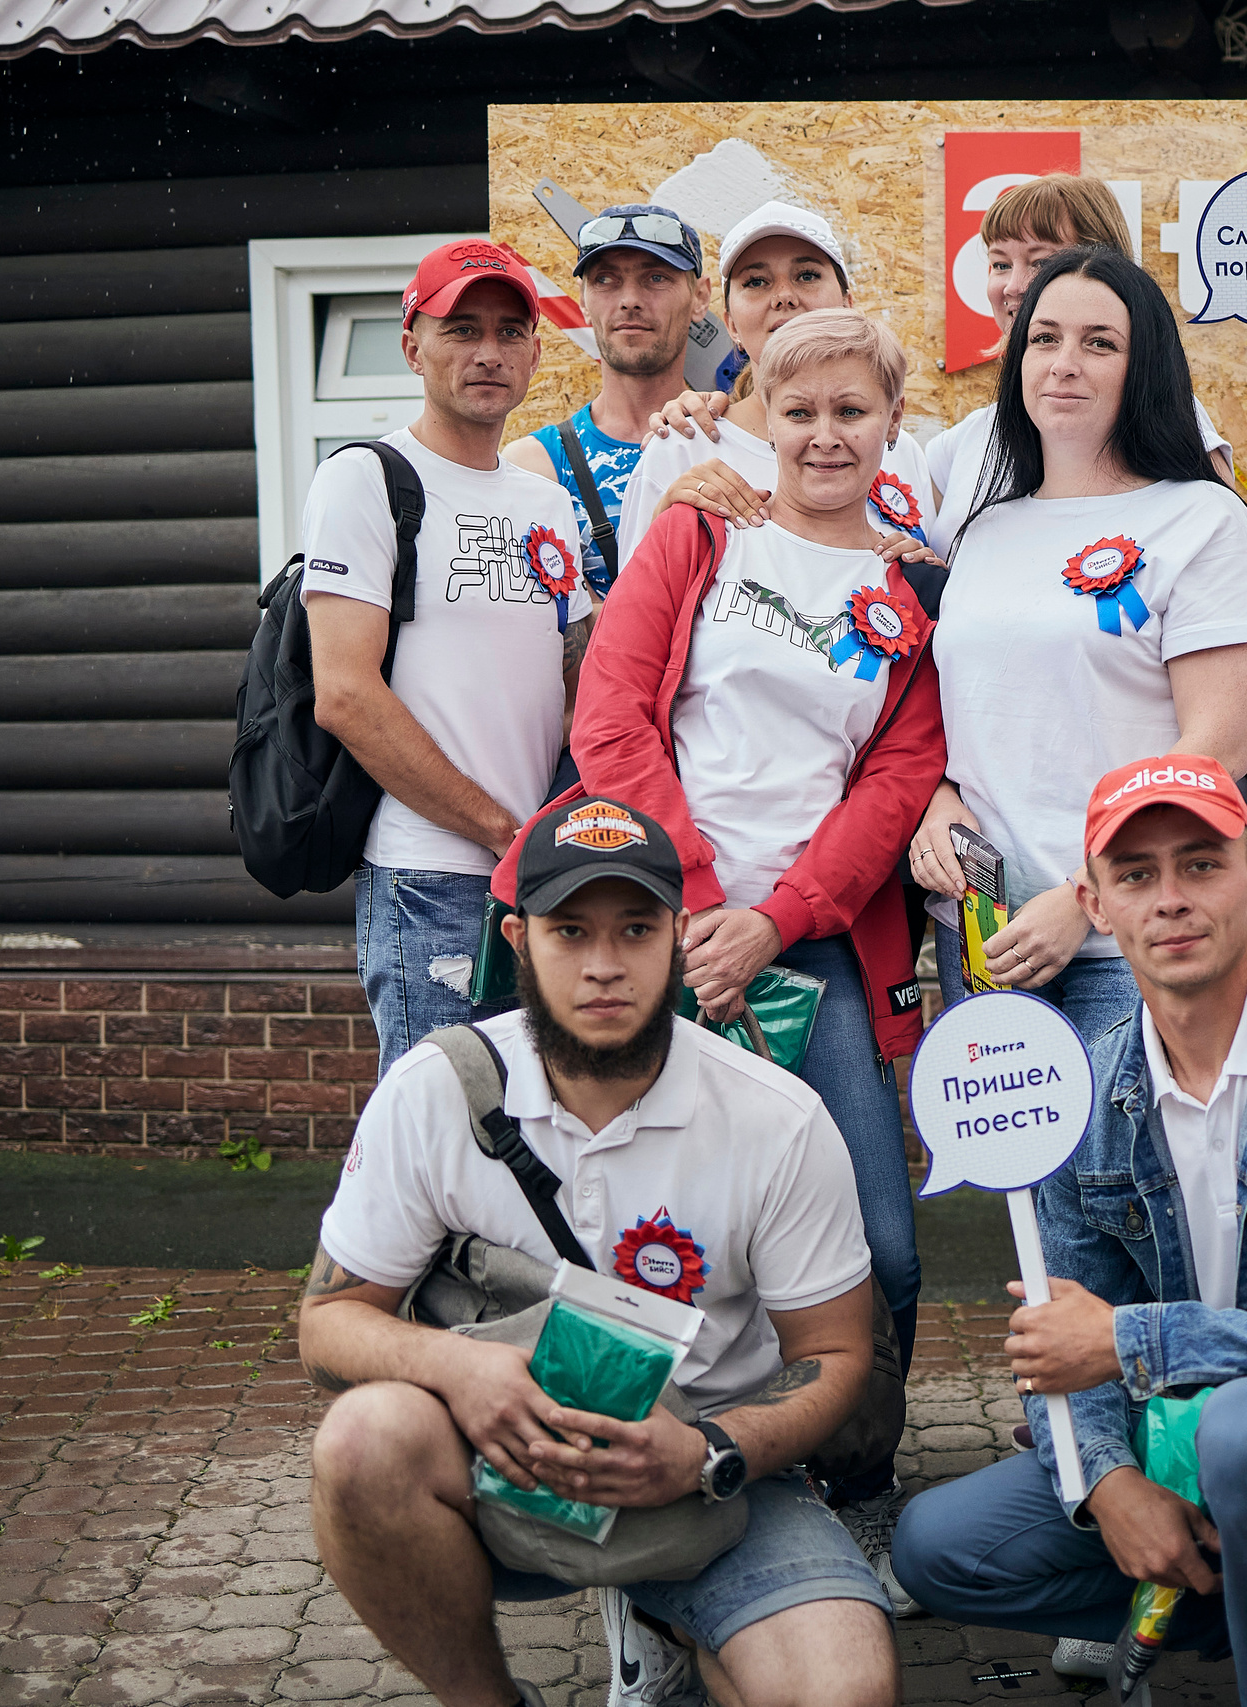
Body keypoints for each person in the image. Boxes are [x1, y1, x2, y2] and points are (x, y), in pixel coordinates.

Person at [495, 308, 946, 1611]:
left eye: (851, 410)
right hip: (657, 936)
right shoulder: (703, 528)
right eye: (799, 407)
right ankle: (623, 1498)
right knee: (652, 1228)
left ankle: (845, 1490)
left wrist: (781, 913)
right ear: (764, 412)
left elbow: (902, 771)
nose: (823, 432)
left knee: (879, 1244)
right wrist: (698, 906)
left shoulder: (914, 585)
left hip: (821, 950)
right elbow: (613, 714)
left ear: (888, 426)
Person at [302, 794, 895, 1707]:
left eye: (635, 929)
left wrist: (704, 1450)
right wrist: (459, 1373)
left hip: (710, 1479)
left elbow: (839, 1352)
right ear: (518, 935)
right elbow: (329, 1321)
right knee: (361, 1443)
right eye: (570, 931)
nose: (605, 965)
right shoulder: (434, 1090)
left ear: (679, 932)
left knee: (843, 1690)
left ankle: (672, 1613)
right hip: (502, 1456)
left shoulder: (777, 1118)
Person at [892, 755, 1247, 1707]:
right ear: (1095, 906)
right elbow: (1063, 1340)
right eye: (1137, 875)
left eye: (1201, 864)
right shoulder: (1081, 1089)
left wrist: (1132, 1340)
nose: (1171, 900)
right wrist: (1110, 1486)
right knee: (941, 1546)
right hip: (1183, 1444)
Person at [907, 246, 1247, 1043]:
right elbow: (962, 714)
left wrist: (1090, 894)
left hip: (1133, 936)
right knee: (1023, 1173)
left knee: (1137, 1171)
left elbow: (1217, 746)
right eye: (1043, 339)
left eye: (1098, 343)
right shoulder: (986, 525)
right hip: (984, 933)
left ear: (1142, 366)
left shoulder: (1201, 521)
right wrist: (936, 802)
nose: (1063, 365)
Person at [303, 239, 592, 1073]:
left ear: (537, 352)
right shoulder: (367, 478)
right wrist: (503, 832)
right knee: (442, 1140)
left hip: (540, 880)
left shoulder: (548, 502)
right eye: (461, 329)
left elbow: (574, 685)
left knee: (537, 1130)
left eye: (510, 331)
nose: (488, 353)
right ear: (412, 345)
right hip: (429, 881)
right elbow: (346, 695)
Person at [614, 203, 936, 562]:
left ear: (848, 306)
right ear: (731, 324)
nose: (783, 296)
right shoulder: (682, 449)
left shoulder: (901, 450)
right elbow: (635, 609)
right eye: (756, 282)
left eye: (807, 275)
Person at [931, 172, 1238, 533]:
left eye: (1041, 263)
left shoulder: (1168, 415)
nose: (1013, 287)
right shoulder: (961, 443)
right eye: (1000, 264)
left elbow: (1221, 534)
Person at [501, 203, 712, 598]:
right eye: (605, 280)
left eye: (656, 277)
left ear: (700, 297)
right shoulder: (536, 467)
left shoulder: (733, 443)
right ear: (583, 298)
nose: (630, 299)